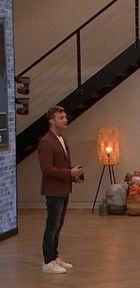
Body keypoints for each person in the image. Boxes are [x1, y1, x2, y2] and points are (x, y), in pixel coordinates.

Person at [38, 106, 84, 274]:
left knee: (58, 225)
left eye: (65, 117)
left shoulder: (61, 138)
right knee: (52, 225)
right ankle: (48, 261)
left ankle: (54, 256)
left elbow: (62, 165)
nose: (65, 120)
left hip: (63, 188)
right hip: (54, 190)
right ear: (52, 121)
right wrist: (69, 173)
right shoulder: (46, 141)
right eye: (61, 117)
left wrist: (74, 176)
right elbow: (47, 169)